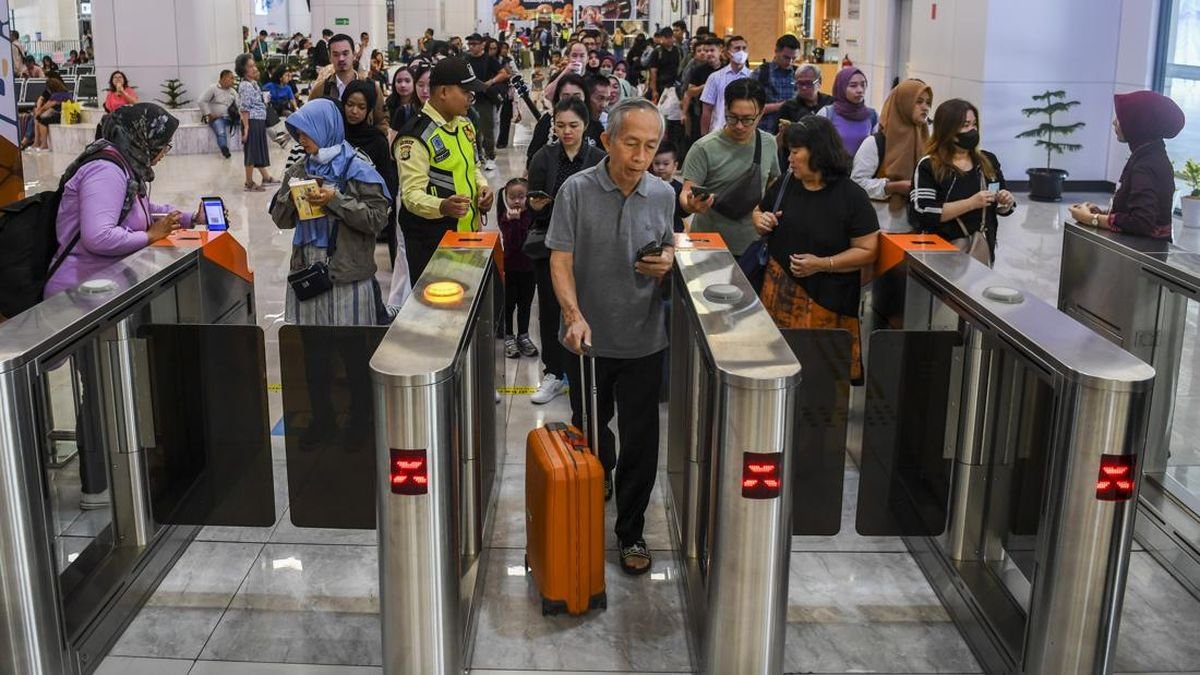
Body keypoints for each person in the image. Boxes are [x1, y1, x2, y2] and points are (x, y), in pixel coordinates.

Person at [546, 97, 676, 576]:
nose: (640, 156)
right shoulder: (576, 192)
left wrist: (667, 264)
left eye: (651, 146)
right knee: (592, 430)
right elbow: (560, 259)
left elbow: (669, 250)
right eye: (631, 144)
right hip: (588, 341)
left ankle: (631, 532)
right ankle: (599, 478)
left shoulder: (663, 195)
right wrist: (573, 315)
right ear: (607, 141)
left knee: (643, 441)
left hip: (644, 338)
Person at [753, 115, 879, 383]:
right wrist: (761, 221)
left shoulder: (852, 197)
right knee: (779, 375)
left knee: (822, 383)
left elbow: (868, 250)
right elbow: (759, 212)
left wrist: (823, 263)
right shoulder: (786, 184)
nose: (789, 159)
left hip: (828, 306)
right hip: (777, 298)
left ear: (818, 152)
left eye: (796, 152)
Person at [47, 103, 204, 298]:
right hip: (79, 293)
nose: (164, 151)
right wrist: (149, 236)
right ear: (143, 138)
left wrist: (193, 218)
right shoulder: (106, 171)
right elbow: (99, 237)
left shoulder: (125, 164)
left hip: (104, 285)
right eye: (163, 144)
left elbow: (141, 209)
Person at [270, 98, 391, 326]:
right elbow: (280, 220)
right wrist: (293, 200)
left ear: (324, 127)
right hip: (307, 270)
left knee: (349, 347)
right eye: (298, 133)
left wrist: (335, 200)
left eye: (306, 132)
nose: (301, 139)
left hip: (348, 273)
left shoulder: (358, 168)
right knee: (313, 348)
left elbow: (377, 219)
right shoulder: (299, 169)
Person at [527, 98, 607, 405]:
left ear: (585, 125)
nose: (566, 131)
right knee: (550, 309)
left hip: (590, 247)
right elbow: (532, 206)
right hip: (550, 242)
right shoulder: (544, 158)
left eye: (573, 125)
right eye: (560, 125)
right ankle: (554, 373)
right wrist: (536, 206)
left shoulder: (599, 158)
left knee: (586, 307)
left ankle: (584, 368)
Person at [394, 57, 494, 281]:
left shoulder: (464, 124)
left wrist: (483, 188)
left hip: (468, 236)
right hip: (434, 244)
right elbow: (411, 196)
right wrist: (442, 206)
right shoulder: (416, 137)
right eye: (466, 91)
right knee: (440, 311)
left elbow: (473, 166)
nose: (471, 98)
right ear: (444, 92)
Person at [681, 78, 781, 257]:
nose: (740, 126)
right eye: (733, 117)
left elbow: (772, 183)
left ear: (762, 112)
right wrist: (691, 204)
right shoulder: (704, 148)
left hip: (752, 245)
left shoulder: (768, 143)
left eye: (748, 119)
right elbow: (686, 191)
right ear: (725, 108)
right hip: (708, 245)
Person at [1068, 91, 1186, 241]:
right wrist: (1105, 214)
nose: (1114, 122)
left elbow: (1142, 222)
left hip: (1140, 258)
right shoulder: (1150, 155)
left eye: (1120, 118)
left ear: (1138, 124)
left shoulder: (1146, 165)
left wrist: (1092, 218)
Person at [911, 99, 1015, 264]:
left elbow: (1002, 201)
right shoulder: (929, 165)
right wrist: (970, 203)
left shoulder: (988, 160)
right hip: (941, 252)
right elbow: (922, 211)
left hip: (982, 248)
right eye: (965, 125)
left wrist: (1006, 202)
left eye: (974, 125)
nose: (972, 130)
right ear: (947, 130)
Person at [851, 79, 932, 225]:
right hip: (879, 225)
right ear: (903, 104)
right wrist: (892, 187)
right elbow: (856, 184)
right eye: (918, 102)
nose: (925, 108)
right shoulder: (876, 143)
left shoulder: (928, 142)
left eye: (928, 103)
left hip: (916, 227)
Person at [342, 80, 399, 263]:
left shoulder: (377, 141)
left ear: (369, 110)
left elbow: (387, 180)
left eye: (361, 106)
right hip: (337, 207)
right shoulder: (335, 135)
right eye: (350, 105)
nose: (354, 111)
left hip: (363, 213)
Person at [311, 34, 389, 133]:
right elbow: (311, 123)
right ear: (329, 57)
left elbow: (382, 120)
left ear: (354, 55)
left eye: (345, 53)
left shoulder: (372, 87)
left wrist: (374, 143)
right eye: (336, 54)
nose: (341, 59)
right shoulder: (320, 90)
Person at [497, 177, 539, 359]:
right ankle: (508, 336)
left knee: (525, 305)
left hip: (529, 270)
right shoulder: (505, 219)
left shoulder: (532, 217)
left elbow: (529, 242)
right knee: (508, 305)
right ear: (505, 199)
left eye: (521, 196)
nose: (516, 201)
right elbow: (514, 243)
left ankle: (523, 335)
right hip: (511, 269)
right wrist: (513, 221)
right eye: (512, 197)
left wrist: (521, 220)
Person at [465, 33, 509, 172]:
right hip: (468, 98)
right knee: (469, 129)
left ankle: (490, 156)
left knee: (486, 128)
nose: (471, 47)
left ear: (482, 45)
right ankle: (476, 156)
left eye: (474, 44)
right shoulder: (465, 59)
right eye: (470, 44)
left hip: (484, 99)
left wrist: (490, 82)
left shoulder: (489, 60)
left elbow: (503, 73)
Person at [236, 53, 278, 192]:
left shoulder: (253, 84)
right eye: (250, 66)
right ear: (243, 69)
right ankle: (248, 182)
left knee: (258, 150)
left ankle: (266, 177)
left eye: (254, 65)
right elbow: (244, 108)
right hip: (252, 122)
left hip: (258, 120)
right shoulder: (245, 86)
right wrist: (246, 128)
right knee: (252, 152)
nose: (254, 68)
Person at [526, 72, 588, 162]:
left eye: (577, 96)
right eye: (565, 96)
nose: (571, 101)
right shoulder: (547, 121)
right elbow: (532, 157)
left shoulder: (595, 123)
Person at [819, 67, 878, 158]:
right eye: (853, 85)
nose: (860, 90)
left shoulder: (872, 115)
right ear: (841, 88)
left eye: (863, 85)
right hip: (833, 170)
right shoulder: (827, 113)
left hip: (862, 170)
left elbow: (876, 149)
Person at [699, 35, 752, 135]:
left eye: (744, 48)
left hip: (744, 133)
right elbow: (707, 110)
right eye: (737, 48)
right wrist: (703, 137)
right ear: (728, 53)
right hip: (719, 132)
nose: (741, 52)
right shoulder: (715, 77)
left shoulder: (752, 77)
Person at [680, 36, 722, 148]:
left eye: (712, 50)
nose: (708, 53)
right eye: (706, 51)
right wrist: (706, 86)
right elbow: (690, 91)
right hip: (700, 113)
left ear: (720, 51)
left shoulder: (726, 69)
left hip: (722, 114)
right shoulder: (698, 70)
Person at [756, 34, 800, 133]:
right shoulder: (761, 72)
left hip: (791, 133)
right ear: (776, 51)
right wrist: (782, 106)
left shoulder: (798, 74)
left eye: (794, 58)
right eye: (786, 57)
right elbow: (751, 107)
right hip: (766, 130)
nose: (790, 62)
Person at [198, 70, 238, 158]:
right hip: (217, 118)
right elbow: (201, 101)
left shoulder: (233, 91)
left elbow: (239, 104)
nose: (233, 81)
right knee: (220, 131)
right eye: (231, 78)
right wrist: (208, 114)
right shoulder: (213, 88)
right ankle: (224, 149)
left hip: (231, 118)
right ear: (223, 78)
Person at [651, 141, 688, 232]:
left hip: (674, 230)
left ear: (675, 165)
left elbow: (683, 213)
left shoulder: (680, 188)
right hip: (651, 230)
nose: (661, 167)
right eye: (657, 163)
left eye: (666, 164)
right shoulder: (647, 185)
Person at [30, 75, 71, 151]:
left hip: (61, 116)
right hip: (65, 114)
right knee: (39, 118)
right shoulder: (65, 93)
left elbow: (46, 107)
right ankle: (37, 143)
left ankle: (43, 144)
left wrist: (37, 113)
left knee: (42, 121)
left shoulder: (56, 96)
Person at [647, 26, 682, 104]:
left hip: (674, 87)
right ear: (661, 38)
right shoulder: (657, 52)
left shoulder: (678, 51)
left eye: (671, 37)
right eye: (666, 37)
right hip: (660, 86)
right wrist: (654, 90)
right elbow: (653, 72)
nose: (669, 40)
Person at [386, 65, 419, 131]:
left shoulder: (419, 107)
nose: (403, 85)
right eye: (399, 81)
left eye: (407, 81)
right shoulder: (388, 103)